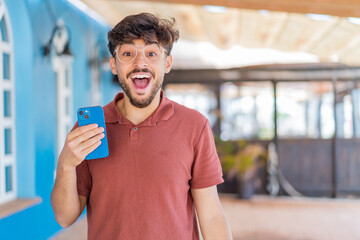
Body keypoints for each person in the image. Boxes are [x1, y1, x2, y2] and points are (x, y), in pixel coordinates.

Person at [51, 12, 233, 240]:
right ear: (114, 65)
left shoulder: (195, 126)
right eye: (128, 53)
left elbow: (211, 216)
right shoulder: (89, 129)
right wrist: (65, 166)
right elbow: (64, 218)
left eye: (151, 53)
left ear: (167, 63)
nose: (140, 63)